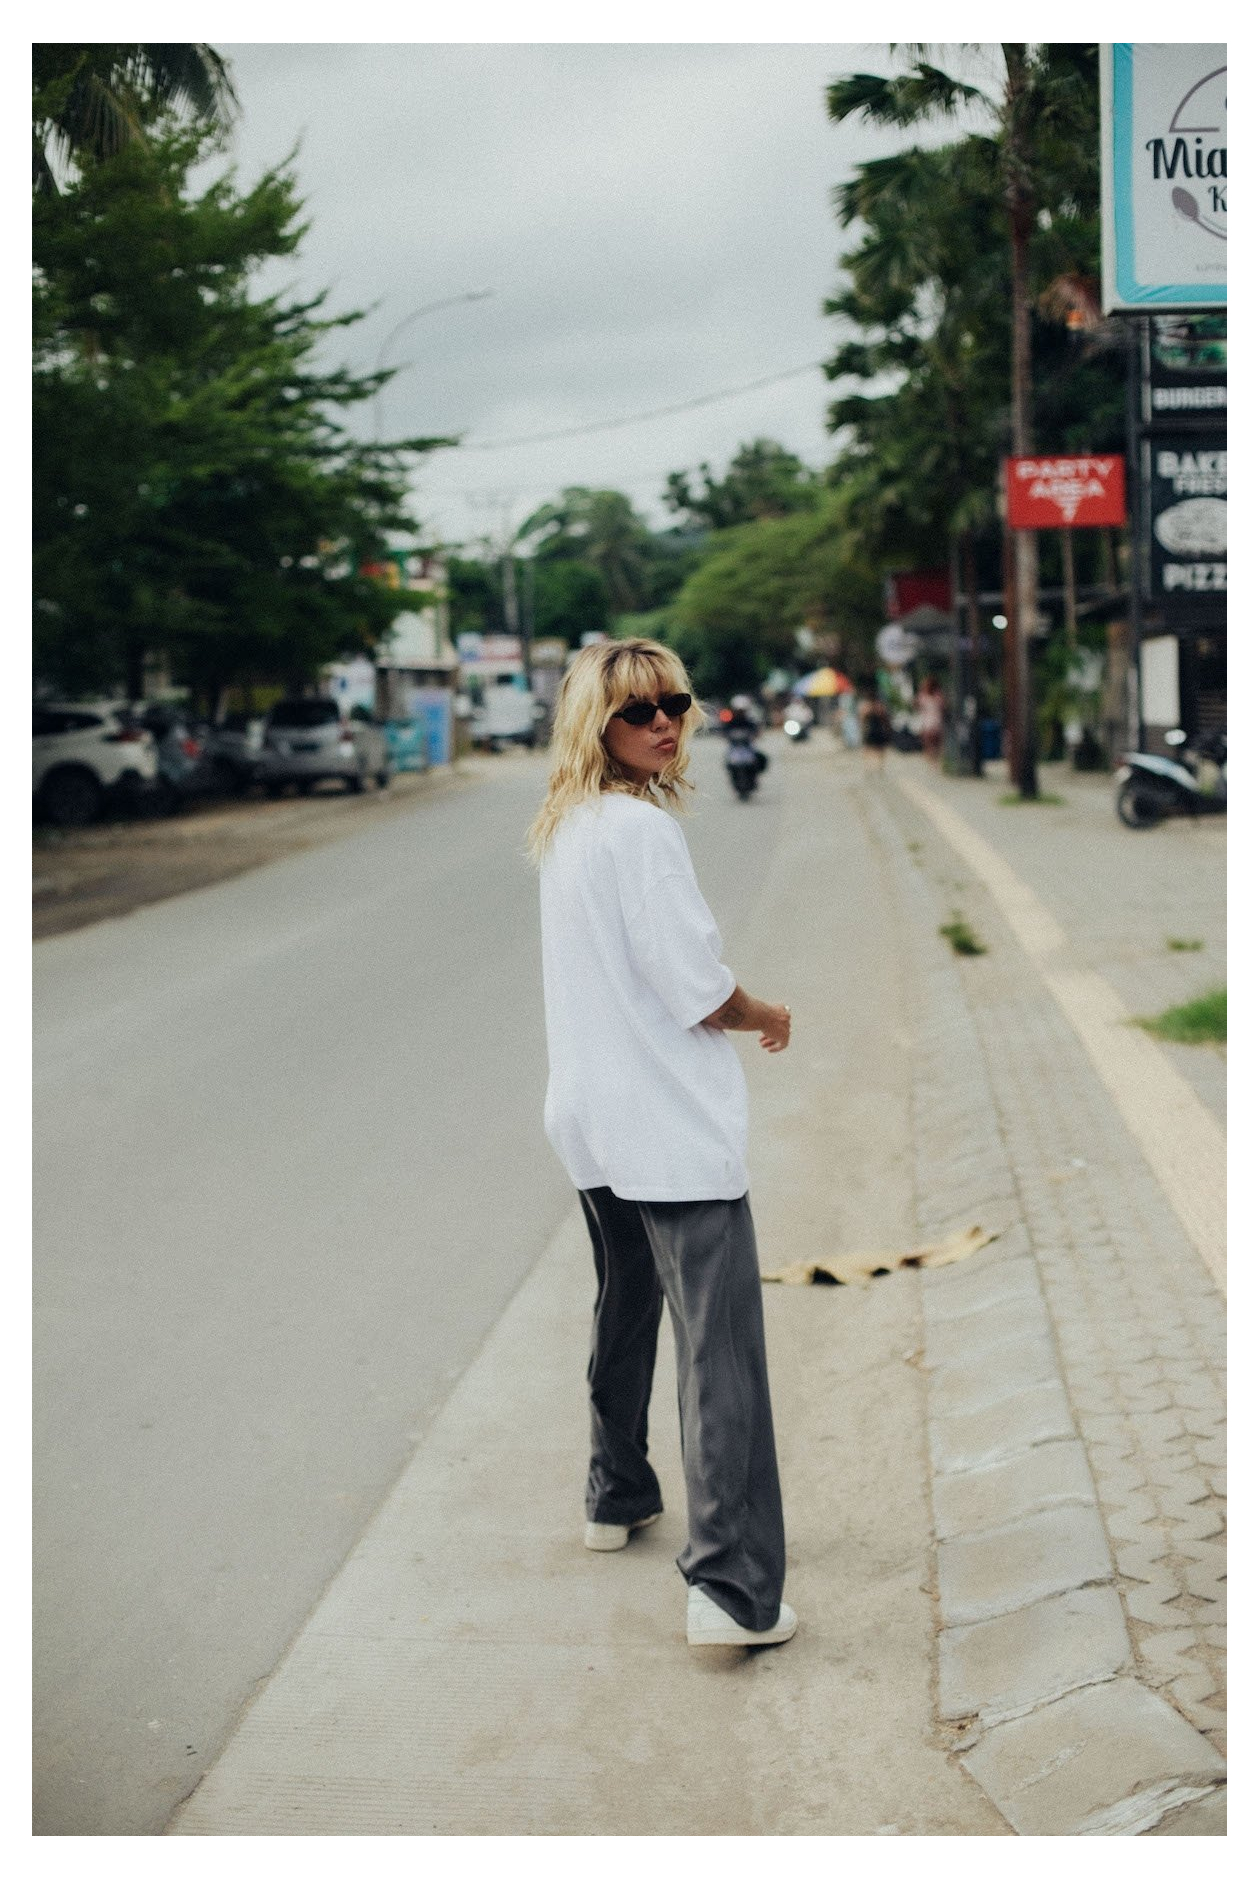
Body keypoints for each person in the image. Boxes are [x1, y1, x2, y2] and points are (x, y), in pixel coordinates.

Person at [527, 639, 797, 1649]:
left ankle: (615, 1491)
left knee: (627, 1305)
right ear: (598, 719)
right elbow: (702, 992)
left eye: (677, 702)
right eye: (640, 709)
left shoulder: (565, 825)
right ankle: (731, 1588)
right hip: (668, 1129)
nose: (666, 723)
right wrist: (769, 1009)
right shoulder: (640, 835)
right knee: (718, 1352)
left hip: (591, 1117)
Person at [858, 686, 892, 770]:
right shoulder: (877, 706)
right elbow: (885, 718)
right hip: (874, 729)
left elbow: (862, 719)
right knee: (874, 748)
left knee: (872, 748)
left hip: (873, 729)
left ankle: (872, 766)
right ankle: (874, 766)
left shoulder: (869, 706)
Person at [916, 675, 945, 763]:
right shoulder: (935, 696)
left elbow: (917, 706)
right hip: (932, 722)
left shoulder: (927, 696)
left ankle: (933, 761)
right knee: (932, 744)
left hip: (931, 722)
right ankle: (933, 761)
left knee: (932, 743)